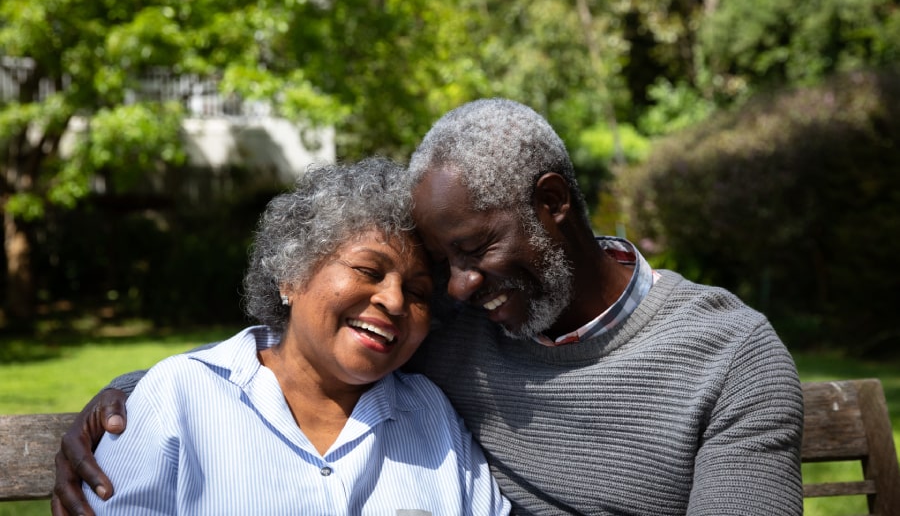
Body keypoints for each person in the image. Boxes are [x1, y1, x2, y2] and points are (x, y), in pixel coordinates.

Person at [53, 99, 804, 515]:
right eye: (442, 266)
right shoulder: (457, 326)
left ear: (552, 205)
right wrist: (130, 398)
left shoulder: (728, 355)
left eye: (473, 250)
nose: (454, 290)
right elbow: (300, 348)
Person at [68, 157, 510, 515]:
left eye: (417, 292)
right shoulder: (180, 397)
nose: (394, 301)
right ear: (291, 276)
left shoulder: (431, 414)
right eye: (367, 270)